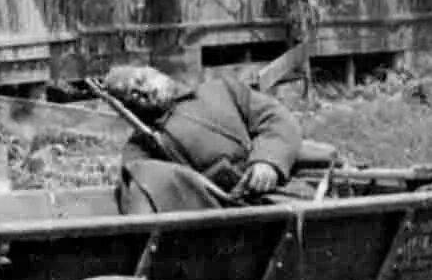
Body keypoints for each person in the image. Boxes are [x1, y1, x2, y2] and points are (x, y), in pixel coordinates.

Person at [102, 63, 303, 214]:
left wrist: (268, 162)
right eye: (133, 96)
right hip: (214, 211)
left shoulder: (222, 89)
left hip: (275, 191)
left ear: (153, 70)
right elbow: (137, 193)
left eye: (140, 81)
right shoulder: (141, 145)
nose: (144, 92)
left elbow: (276, 118)